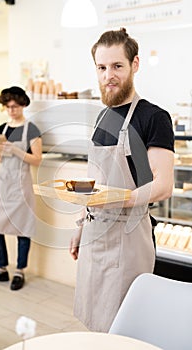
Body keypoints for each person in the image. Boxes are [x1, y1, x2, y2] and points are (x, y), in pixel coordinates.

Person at [69, 28, 174, 332]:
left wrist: (121, 199)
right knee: (94, 319)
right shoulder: (103, 117)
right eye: (102, 68)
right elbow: (96, 182)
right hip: (94, 234)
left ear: (135, 65)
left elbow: (162, 184)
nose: (108, 76)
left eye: (117, 66)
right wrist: (80, 226)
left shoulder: (152, 117)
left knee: (124, 326)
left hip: (128, 241)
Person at [0, 86, 42, 290]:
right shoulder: (2, 129)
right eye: (8, 107)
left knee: (23, 231)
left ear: (23, 105)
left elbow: (37, 160)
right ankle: (1, 269)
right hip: (4, 186)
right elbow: (0, 159)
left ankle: (19, 271)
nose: (12, 110)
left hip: (22, 188)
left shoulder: (31, 129)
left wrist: (15, 149)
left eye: (15, 106)